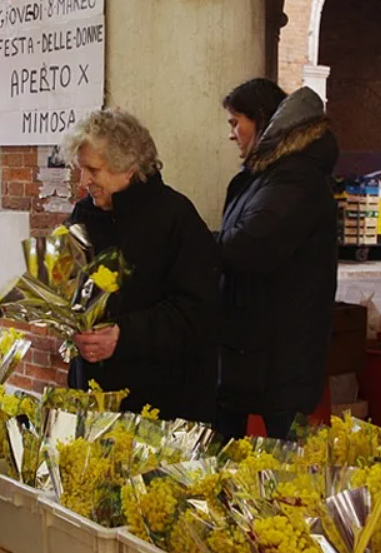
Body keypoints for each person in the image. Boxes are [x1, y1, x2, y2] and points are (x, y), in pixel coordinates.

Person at [62, 109, 219, 422]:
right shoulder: (82, 215)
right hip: (93, 395)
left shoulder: (176, 218)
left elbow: (196, 312)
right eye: (81, 170)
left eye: (93, 170)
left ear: (128, 170)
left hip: (162, 402)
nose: (84, 182)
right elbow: (66, 290)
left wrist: (123, 335)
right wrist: (69, 329)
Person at [216, 80, 339, 440]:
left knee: (284, 469)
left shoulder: (294, 178)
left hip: (280, 352)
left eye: (235, 122)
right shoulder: (268, 176)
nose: (232, 134)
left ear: (261, 120)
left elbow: (249, 247)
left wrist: (194, 243)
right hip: (256, 346)